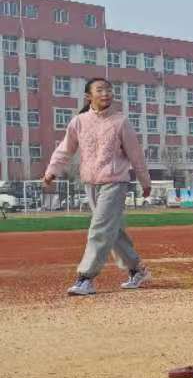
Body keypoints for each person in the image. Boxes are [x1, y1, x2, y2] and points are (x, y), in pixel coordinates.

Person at [43, 77, 151, 297]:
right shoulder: (79, 122)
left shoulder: (120, 122)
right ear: (88, 96)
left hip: (115, 182)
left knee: (99, 228)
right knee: (113, 230)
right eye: (100, 90)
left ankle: (85, 278)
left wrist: (145, 180)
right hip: (90, 183)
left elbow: (135, 154)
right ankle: (136, 269)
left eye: (109, 90)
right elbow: (65, 149)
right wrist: (52, 170)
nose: (106, 93)